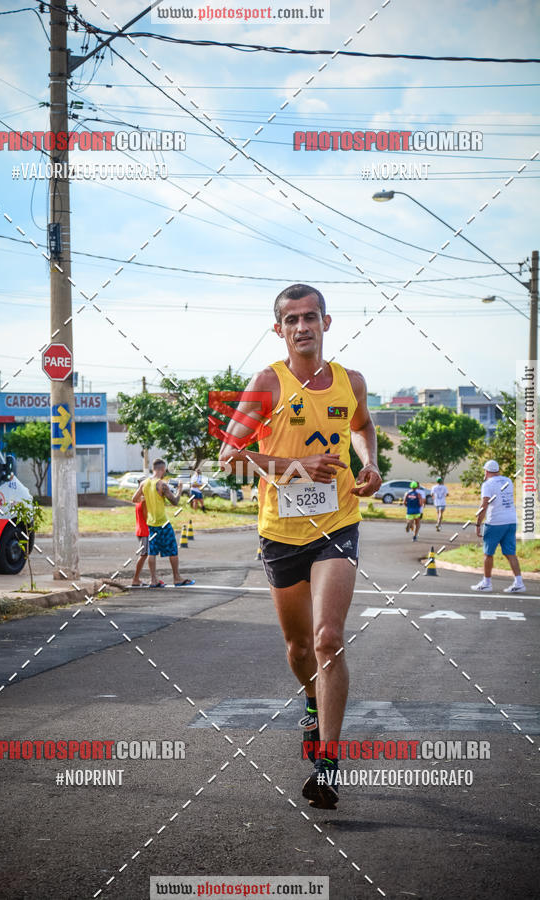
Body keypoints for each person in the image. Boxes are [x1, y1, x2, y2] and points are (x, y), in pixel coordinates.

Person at [218, 283, 381, 809]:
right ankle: (310, 699)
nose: (302, 326)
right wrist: (297, 466)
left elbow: (363, 426)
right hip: (282, 531)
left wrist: (369, 462)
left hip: (338, 522)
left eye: (311, 316)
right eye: (292, 319)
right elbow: (229, 458)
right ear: (279, 329)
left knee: (328, 638)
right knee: (299, 648)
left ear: (326, 323)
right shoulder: (268, 383)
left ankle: (327, 765)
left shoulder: (352, 382)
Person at [138, 459, 195, 588]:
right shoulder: (162, 484)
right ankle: (177, 578)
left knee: (152, 552)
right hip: (163, 523)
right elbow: (175, 501)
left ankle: (153, 580)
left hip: (151, 523)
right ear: (162, 469)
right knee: (173, 550)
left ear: (153, 469)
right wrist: (179, 490)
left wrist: (146, 498)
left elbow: (134, 499)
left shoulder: (144, 483)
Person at [471, 459, 525, 593]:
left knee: (488, 553)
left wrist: (478, 523)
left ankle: (487, 583)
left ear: (486, 471)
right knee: (510, 553)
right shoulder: (508, 481)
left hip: (495, 522)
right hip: (511, 520)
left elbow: (484, 504)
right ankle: (519, 582)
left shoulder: (487, 484)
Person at [130, 484, 149, 587]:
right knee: (144, 554)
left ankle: (137, 578)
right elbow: (147, 517)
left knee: (146, 554)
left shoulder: (138, 500)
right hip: (145, 531)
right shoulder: (144, 501)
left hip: (140, 529)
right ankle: (136, 579)